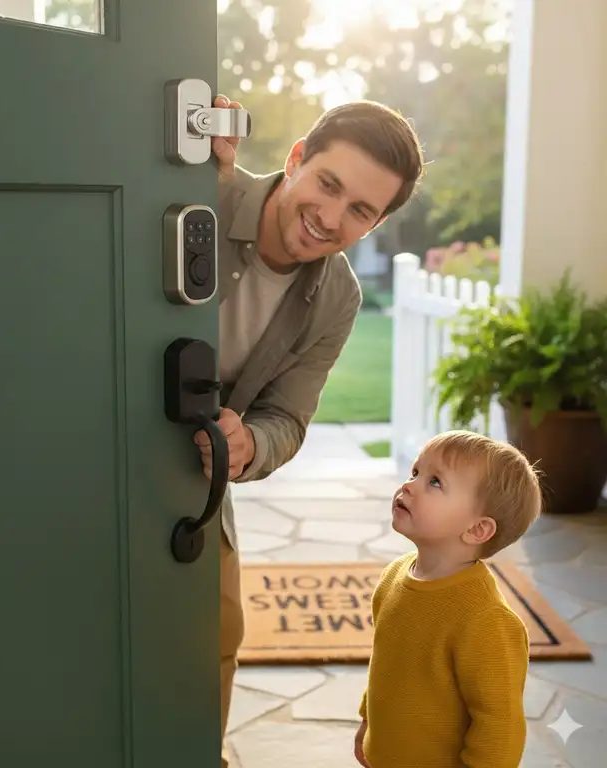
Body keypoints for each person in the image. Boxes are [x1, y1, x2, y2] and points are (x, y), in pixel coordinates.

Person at [198, 94, 426, 767]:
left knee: (218, 633)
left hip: (196, 474)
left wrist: (249, 445)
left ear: (377, 221)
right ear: (297, 158)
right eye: (327, 184)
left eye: (360, 210)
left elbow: (287, 418)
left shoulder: (339, 296)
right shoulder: (205, 192)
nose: (331, 217)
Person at [354, 430, 542, 768]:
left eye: (435, 482)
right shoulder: (395, 575)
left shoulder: (486, 621)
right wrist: (368, 723)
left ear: (476, 529)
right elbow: (387, 665)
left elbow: (500, 726)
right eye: (415, 472)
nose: (409, 486)